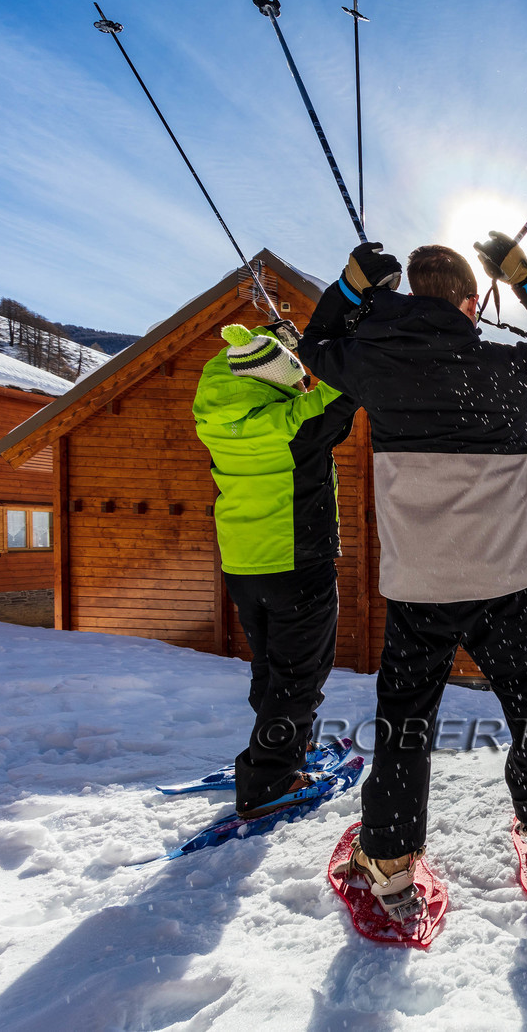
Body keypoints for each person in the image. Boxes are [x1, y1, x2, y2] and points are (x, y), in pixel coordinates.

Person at [298, 236, 527, 916]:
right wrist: (526, 278)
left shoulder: (377, 365)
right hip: (502, 582)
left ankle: (391, 863)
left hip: (420, 588)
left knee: (405, 724)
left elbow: (314, 346)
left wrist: (349, 289)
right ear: (470, 302)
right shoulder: (504, 369)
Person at [192, 319, 358, 818]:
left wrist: (274, 343)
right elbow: (348, 384)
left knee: (272, 667)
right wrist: (338, 340)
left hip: (244, 564)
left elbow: (240, 363)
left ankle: (280, 750)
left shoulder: (215, 410)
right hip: (296, 563)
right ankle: (270, 780)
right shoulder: (294, 426)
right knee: (301, 674)